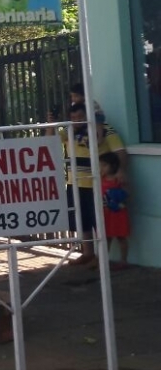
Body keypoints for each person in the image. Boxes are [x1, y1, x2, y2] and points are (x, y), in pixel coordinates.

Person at [54, 103, 127, 265]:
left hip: (98, 184)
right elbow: (50, 139)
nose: (77, 121)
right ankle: (88, 253)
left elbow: (120, 151)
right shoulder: (69, 130)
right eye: (73, 118)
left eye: (80, 117)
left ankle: (102, 258)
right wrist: (51, 122)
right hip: (75, 183)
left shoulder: (106, 130)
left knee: (99, 221)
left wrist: (120, 171)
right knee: (82, 220)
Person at [100, 152, 131, 269]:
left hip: (118, 213)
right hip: (105, 213)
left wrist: (118, 197)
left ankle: (124, 260)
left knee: (121, 236)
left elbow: (127, 193)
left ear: (113, 166)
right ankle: (103, 262)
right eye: (100, 165)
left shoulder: (119, 180)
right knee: (106, 237)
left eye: (104, 165)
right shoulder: (100, 179)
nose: (102, 168)